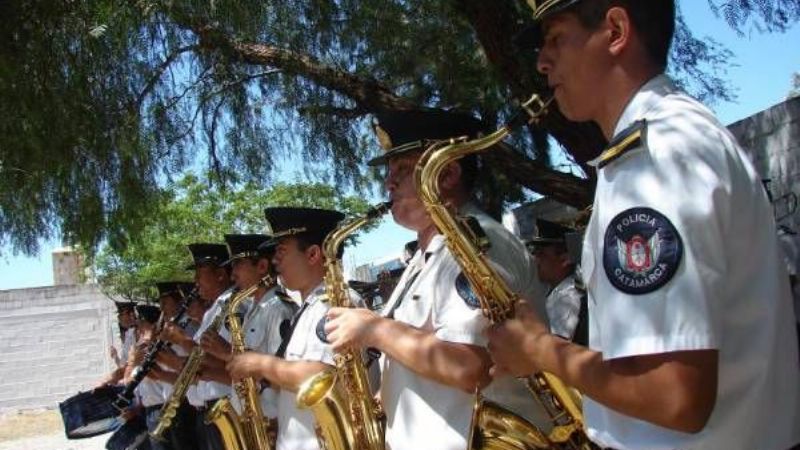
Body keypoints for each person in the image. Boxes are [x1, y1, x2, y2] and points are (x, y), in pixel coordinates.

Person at [487, 1, 800, 449]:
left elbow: (673, 395)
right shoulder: (677, 137)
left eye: (556, 38)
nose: (541, 62)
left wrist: (539, 351)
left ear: (615, 30)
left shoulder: (654, 160)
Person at [323, 110, 548, 450]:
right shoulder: (425, 256)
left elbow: (470, 367)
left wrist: (374, 330)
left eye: (401, 169)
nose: (388, 183)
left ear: (447, 174)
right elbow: (421, 354)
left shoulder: (477, 244)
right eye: (389, 172)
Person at [225, 207, 346, 450]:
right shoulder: (308, 308)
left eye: (281, 251)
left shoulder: (333, 303)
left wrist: (259, 364)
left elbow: (321, 376)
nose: (274, 260)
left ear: (313, 254)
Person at [203, 233, 296, 432]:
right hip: (252, 421)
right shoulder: (253, 309)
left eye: (238, 265)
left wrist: (227, 352)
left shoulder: (278, 309)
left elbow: (280, 374)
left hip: (273, 424)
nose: (232, 274)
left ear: (262, 267)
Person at [526, 218, 587, 344]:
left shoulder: (569, 296)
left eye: (541, 254)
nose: (535, 260)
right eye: (534, 253)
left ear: (565, 259)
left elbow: (554, 348)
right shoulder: (552, 289)